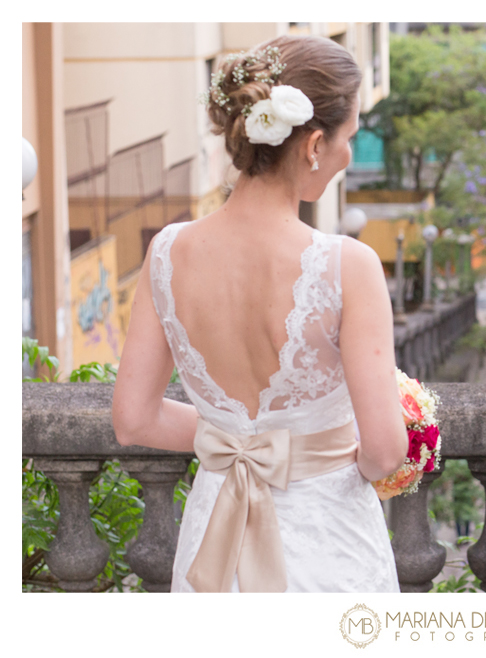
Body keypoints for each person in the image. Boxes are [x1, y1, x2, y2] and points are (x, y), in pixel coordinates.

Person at [111, 35, 408, 593]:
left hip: (213, 531)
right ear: (315, 144)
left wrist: (236, 440)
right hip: (328, 538)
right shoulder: (349, 265)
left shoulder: (166, 252)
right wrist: (321, 453)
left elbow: (134, 419)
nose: (349, 153)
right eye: (350, 136)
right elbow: (386, 450)